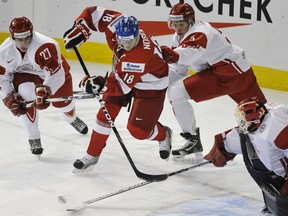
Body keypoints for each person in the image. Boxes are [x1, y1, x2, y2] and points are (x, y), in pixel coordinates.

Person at [63, 6, 172, 170]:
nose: (126, 44)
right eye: (122, 40)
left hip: (151, 85)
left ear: (137, 36)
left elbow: (121, 88)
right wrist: (81, 27)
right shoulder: (118, 24)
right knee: (103, 116)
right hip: (124, 74)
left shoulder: (139, 55)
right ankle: (92, 155)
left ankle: (163, 134)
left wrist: (98, 83)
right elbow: (94, 12)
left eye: (130, 41)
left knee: (137, 131)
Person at [160, 3, 267, 161]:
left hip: (230, 74)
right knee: (265, 114)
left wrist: (174, 55)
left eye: (181, 24)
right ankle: (192, 139)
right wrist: (156, 83)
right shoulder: (178, 37)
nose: (177, 28)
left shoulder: (200, 33)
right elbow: (179, 69)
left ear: (190, 22)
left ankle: (193, 139)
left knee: (263, 115)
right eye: (174, 24)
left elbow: (188, 53)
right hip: (237, 72)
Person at [0, 17, 88, 157]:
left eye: (27, 38)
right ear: (12, 37)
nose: (24, 43)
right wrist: (10, 95)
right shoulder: (3, 52)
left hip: (53, 75)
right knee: (24, 97)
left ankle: (71, 119)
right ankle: (33, 136)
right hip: (24, 75)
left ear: (31, 34)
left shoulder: (45, 46)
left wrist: (46, 89)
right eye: (20, 39)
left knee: (65, 106)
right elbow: (2, 78)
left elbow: (57, 73)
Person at [204, 97, 288, 215]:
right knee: (254, 163)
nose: (240, 123)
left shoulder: (278, 132)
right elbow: (240, 135)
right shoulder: (262, 117)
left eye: (243, 120)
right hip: (279, 165)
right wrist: (223, 150)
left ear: (255, 121)